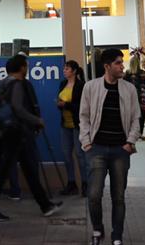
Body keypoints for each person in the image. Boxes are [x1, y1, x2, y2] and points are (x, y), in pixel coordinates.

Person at [0, 54, 60, 222]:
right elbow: (18, 108)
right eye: (26, 65)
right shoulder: (17, 84)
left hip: (5, 132)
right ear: (22, 67)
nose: (27, 67)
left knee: (27, 170)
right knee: (5, 172)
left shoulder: (1, 85)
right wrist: (36, 120)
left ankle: (45, 204)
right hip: (16, 133)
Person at [80, 48, 141, 245]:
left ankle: (117, 235)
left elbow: (135, 118)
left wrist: (130, 142)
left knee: (119, 197)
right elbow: (84, 117)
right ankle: (98, 229)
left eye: (122, 62)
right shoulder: (91, 87)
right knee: (94, 194)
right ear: (107, 66)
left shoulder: (129, 88)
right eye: (117, 63)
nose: (122, 66)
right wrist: (86, 142)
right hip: (96, 149)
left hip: (120, 151)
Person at [56, 60, 88, 197]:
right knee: (66, 155)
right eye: (64, 68)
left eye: (67, 69)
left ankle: (85, 184)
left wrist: (66, 105)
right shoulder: (63, 84)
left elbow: (82, 106)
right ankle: (71, 183)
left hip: (77, 124)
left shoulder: (81, 86)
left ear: (74, 71)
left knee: (80, 156)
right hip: (65, 125)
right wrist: (59, 104)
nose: (64, 71)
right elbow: (60, 100)